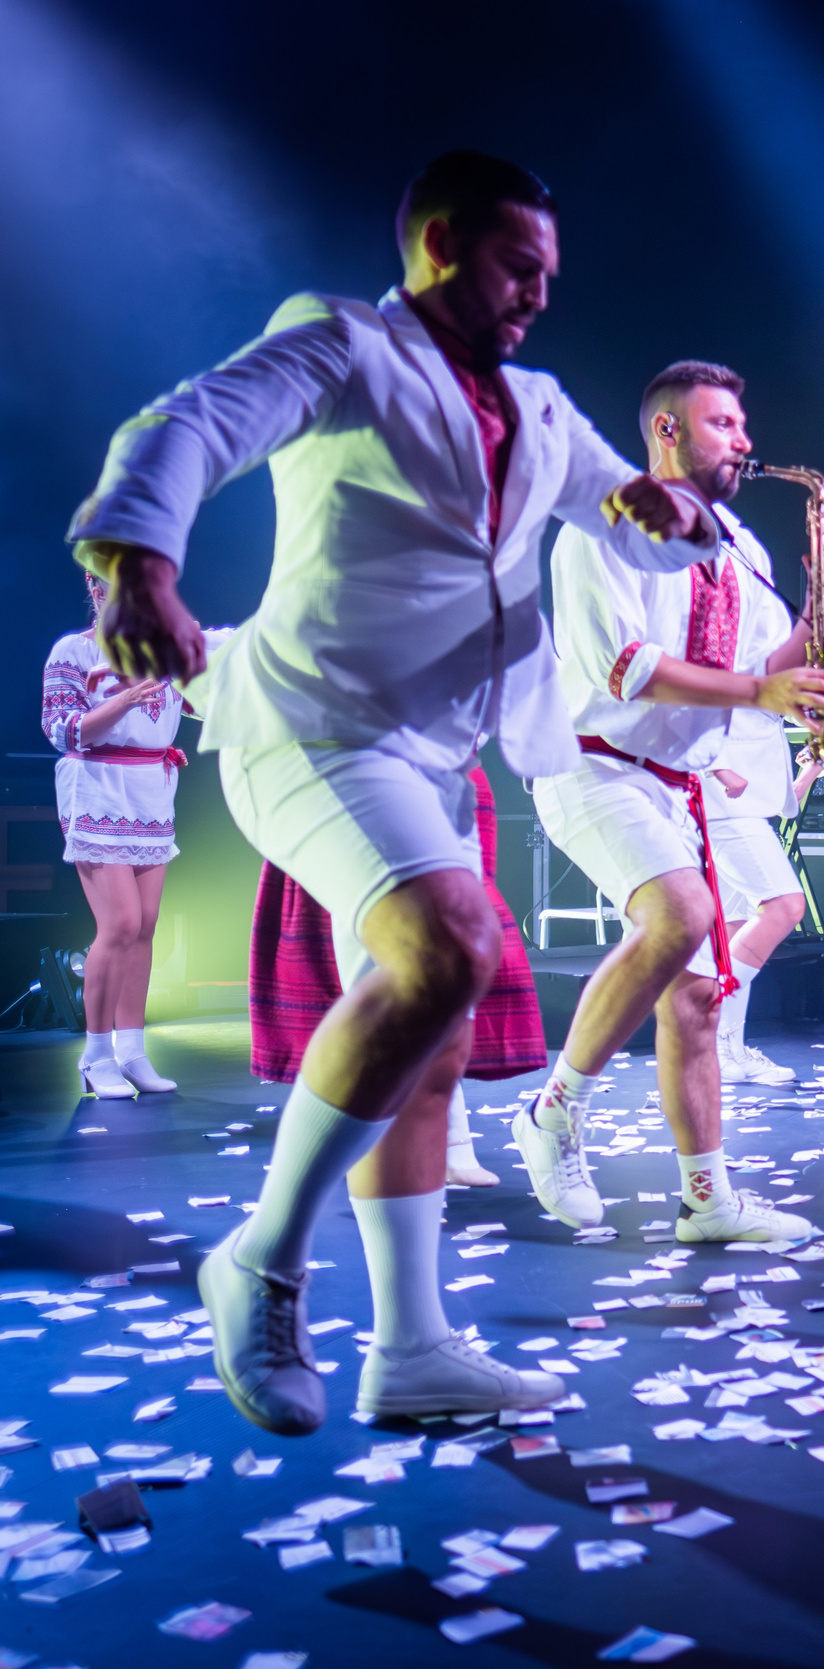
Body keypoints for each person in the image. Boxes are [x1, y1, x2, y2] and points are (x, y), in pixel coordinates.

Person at [67, 151, 718, 1433]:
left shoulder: (535, 405)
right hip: (309, 729)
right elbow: (184, 428)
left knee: (437, 1028)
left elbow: (620, 510)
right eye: (516, 266)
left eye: (549, 274)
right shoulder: (344, 346)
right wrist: (139, 562)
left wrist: (669, 514)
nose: (537, 294)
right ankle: (257, 1260)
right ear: (435, 244)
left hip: (432, 752)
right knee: (449, 944)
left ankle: (410, 1349)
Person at [522, 359, 824, 1246]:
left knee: (697, 998)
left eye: (743, 424)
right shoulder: (602, 527)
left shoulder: (743, 547)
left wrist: (822, 614)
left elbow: (769, 670)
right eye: (722, 425)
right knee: (681, 910)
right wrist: (759, 695)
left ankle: (707, 1202)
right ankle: (551, 1116)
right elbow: (626, 669)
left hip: (674, 784)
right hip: (589, 764)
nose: (744, 440)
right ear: (667, 431)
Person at [246, 768, 549, 1187]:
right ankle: (299, 1199)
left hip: (450, 779)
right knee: (387, 993)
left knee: (450, 974)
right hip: (357, 776)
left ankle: (450, 1147)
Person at [41, 576, 233, 1096]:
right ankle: (95, 1055)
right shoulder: (75, 651)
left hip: (152, 790)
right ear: (96, 587)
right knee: (120, 924)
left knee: (146, 927)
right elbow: (61, 729)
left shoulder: (160, 649)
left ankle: (131, 1050)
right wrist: (122, 701)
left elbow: (198, 703)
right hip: (98, 788)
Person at [703, 546, 816, 1086]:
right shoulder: (714, 636)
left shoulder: (747, 638)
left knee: (734, 930)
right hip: (725, 801)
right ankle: (711, 1041)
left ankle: (729, 1051)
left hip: (742, 800)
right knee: (784, 905)